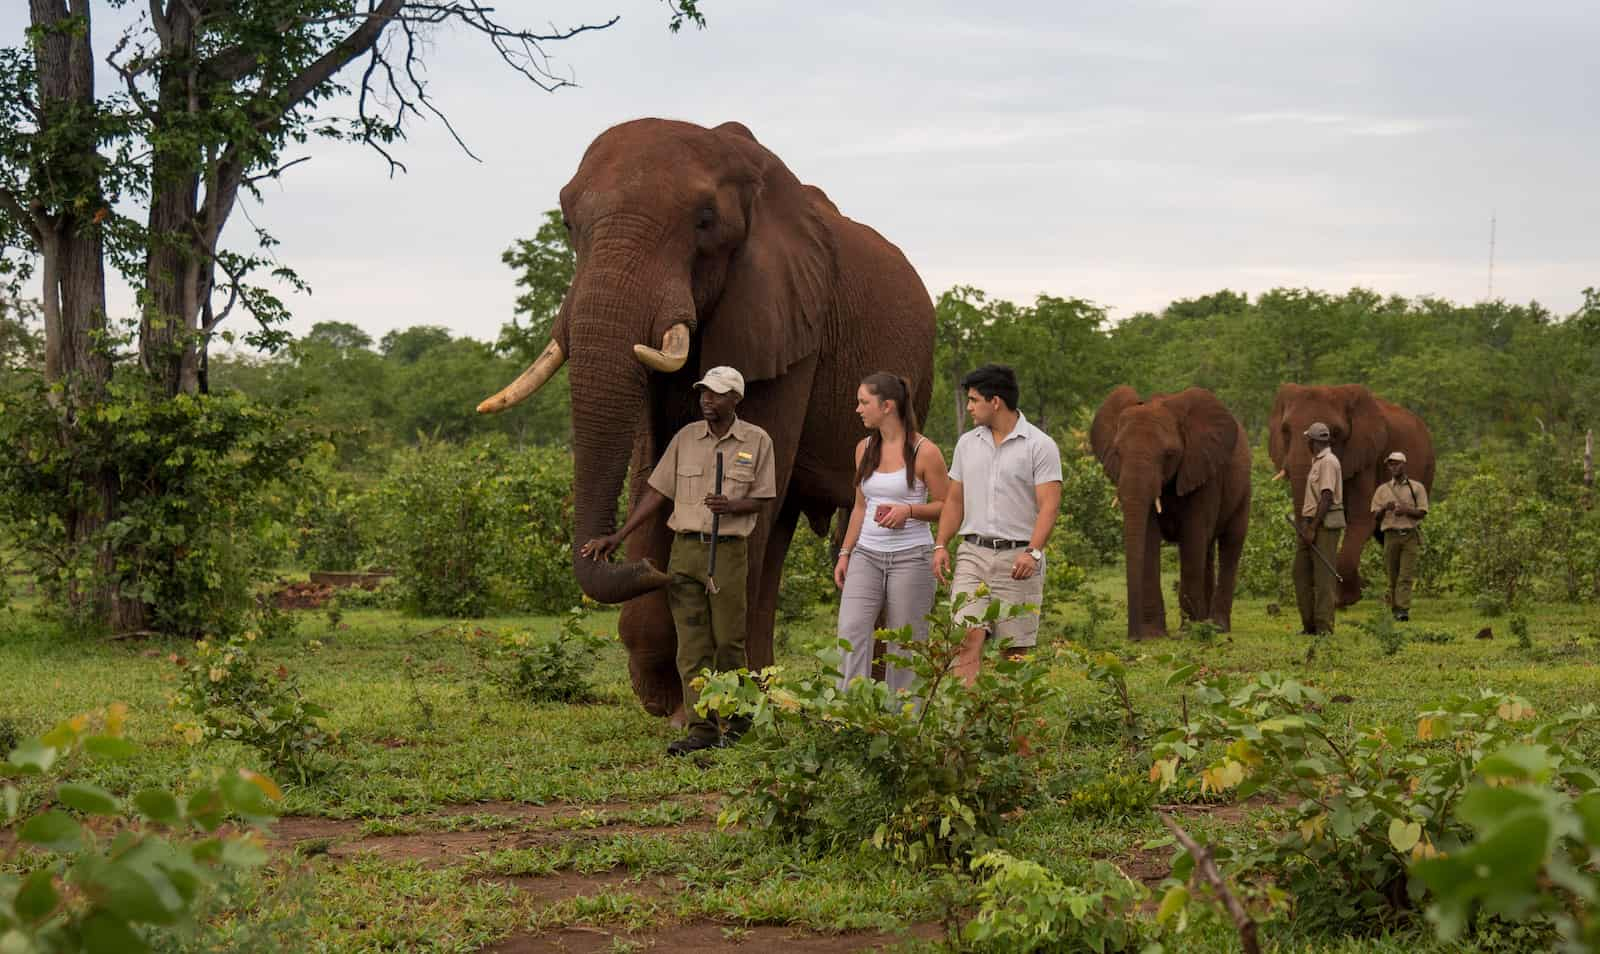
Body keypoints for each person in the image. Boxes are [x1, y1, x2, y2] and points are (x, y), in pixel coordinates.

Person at [580, 366, 775, 756]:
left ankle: (737, 724)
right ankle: (701, 730)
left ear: (735, 398)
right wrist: (618, 535)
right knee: (691, 645)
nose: (707, 399)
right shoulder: (685, 439)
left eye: (717, 394)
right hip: (685, 550)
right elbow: (656, 494)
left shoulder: (757, 440)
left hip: (729, 552)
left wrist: (733, 505)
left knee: (729, 643)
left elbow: (764, 497)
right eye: (704, 392)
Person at [933, 364, 1062, 684]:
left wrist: (1033, 552)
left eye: (974, 400)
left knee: (1013, 653)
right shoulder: (967, 444)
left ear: (996, 402)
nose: (969, 406)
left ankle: (1013, 730)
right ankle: (963, 727)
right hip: (972, 555)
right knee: (966, 638)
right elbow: (954, 500)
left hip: (1018, 558)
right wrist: (940, 544)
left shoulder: (1040, 445)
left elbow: (1050, 505)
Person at [833, 373, 949, 695]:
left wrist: (908, 511)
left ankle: (902, 726)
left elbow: (947, 505)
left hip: (912, 557)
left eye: (863, 402)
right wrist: (846, 552)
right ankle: (849, 717)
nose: (857, 409)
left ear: (887, 406)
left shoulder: (925, 452)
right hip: (866, 555)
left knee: (905, 643)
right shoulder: (864, 448)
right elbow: (860, 506)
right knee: (851, 631)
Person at [1293, 422, 1344, 635]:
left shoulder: (1329, 462)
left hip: (1323, 526)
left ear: (1312, 442)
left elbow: (1327, 496)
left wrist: (1313, 527)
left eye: (1308, 440)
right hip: (1310, 525)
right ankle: (1309, 625)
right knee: (1300, 573)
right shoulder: (1316, 462)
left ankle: (1324, 628)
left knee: (1324, 578)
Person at [1369, 450, 1429, 621]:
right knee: (1392, 574)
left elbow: (1422, 512)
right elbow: (1375, 517)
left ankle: (1403, 610)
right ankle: (1395, 608)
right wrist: (1383, 509)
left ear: (1404, 464)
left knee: (1406, 574)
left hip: (1410, 535)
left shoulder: (1416, 487)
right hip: (1390, 535)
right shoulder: (1382, 490)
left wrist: (1406, 510)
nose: (1393, 467)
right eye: (1391, 464)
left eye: (1396, 463)